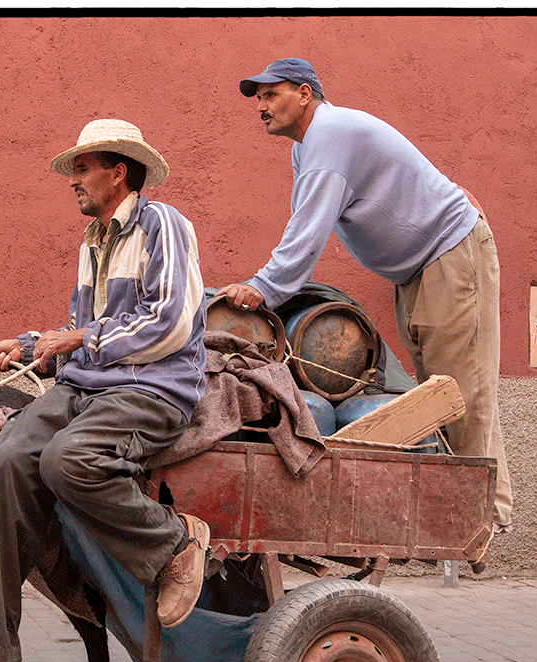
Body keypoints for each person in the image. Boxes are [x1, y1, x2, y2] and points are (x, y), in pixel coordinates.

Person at [0, 119, 211, 662]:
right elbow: (77, 332)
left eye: (81, 169)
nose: (72, 181)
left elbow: (172, 321)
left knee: (66, 460)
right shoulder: (92, 241)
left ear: (117, 171)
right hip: (88, 387)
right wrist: (27, 347)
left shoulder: (165, 225)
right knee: (7, 454)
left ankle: (176, 543)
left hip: (152, 387)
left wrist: (71, 340)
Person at [217, 58, 513, 534]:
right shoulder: (309, 147)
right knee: (443, 389)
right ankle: (481, 514)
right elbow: (307, 224)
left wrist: (263, 288)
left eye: (272, 94)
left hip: (450, 254)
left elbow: (306, 232)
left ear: (305, 94)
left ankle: (479, 522)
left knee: (459, 391)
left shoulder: (329, 135)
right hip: (419, 268)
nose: (261, 106)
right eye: (258, 97)